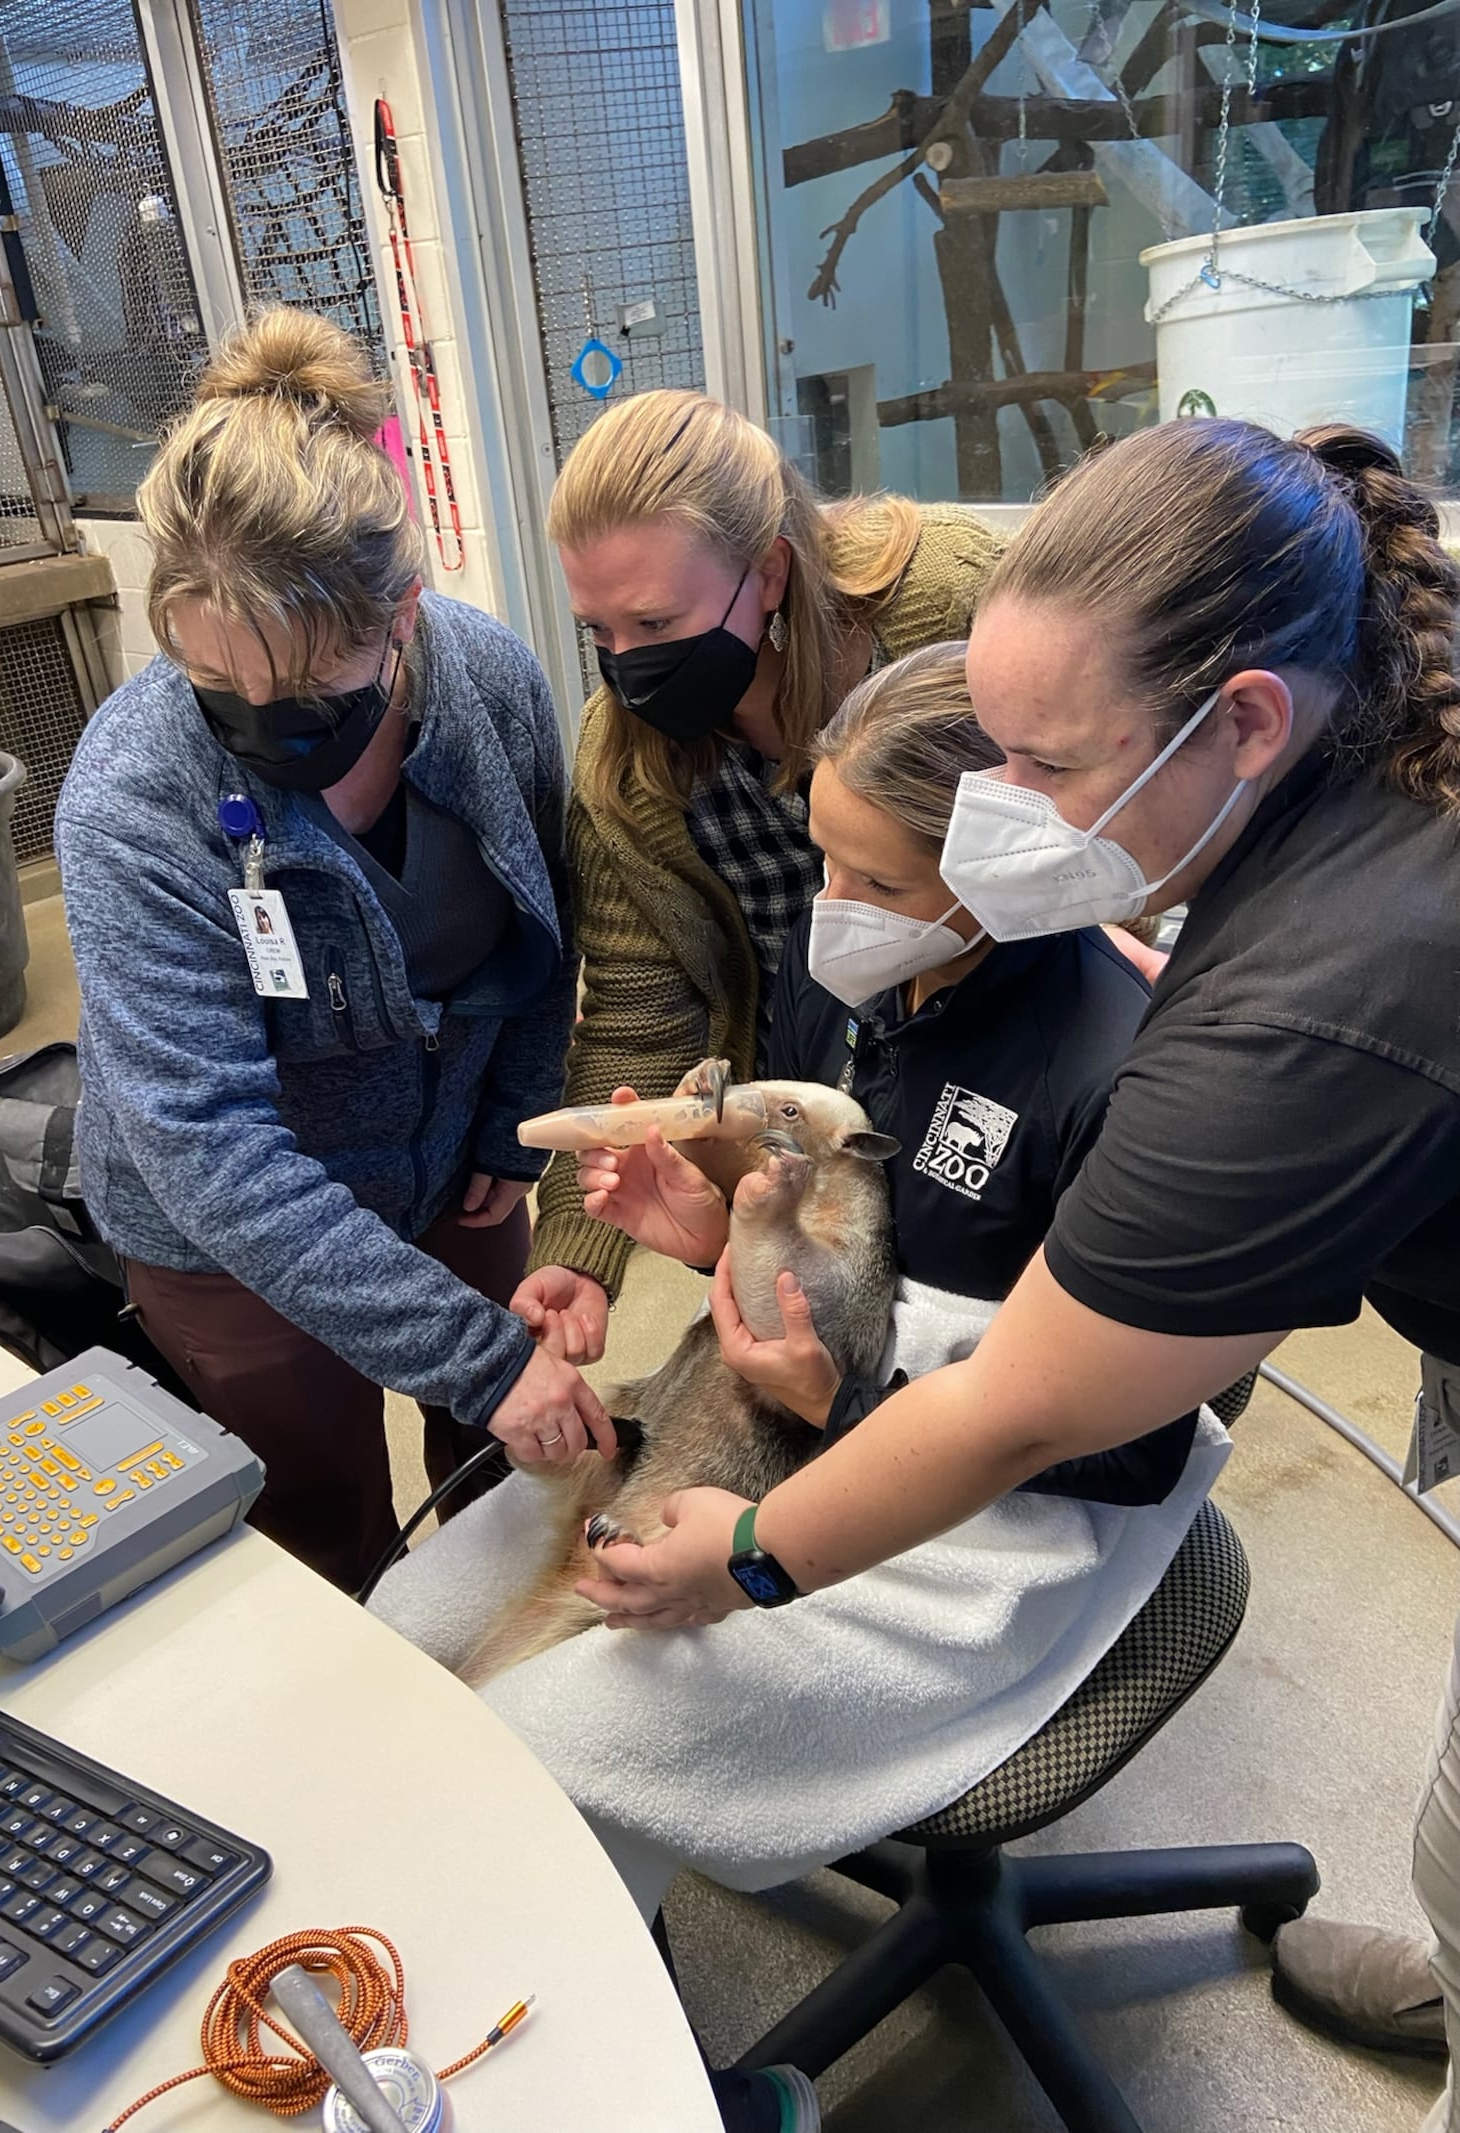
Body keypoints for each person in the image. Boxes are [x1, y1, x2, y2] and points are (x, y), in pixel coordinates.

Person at [566, 416, 1460, 2128]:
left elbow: (1042, 1411)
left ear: (1248, 722)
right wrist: (744, 1215)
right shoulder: (1363, 713)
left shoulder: (1279, 1029)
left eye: (1042, 766)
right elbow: (884, 1207)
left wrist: (752, 1552)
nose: (999, 822)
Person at [372, 643, 1228, 2132]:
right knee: (410, 1639)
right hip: (795, 1407)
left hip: (999, 1503)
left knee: (547, 1750)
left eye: (881, 883)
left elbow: (1131, 1448)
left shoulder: (1134, 1077)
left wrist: (841, 1412)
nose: (835, 912)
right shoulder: (865, 992)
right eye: (825, 857)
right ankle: (542, 2028)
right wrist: (721, 1236)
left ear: (1012, 869)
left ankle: (642, 2096)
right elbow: (845, 1247)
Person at [55, 309, 614, 1597]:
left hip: (454, 1176)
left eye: (305, 689)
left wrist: (512, 1124)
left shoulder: (490, 681)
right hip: (233, 1237)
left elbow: (549, 928)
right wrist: (473, 1353)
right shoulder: (131, 801)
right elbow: (207, 1142)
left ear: (402, 616)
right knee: (319, 1532)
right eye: (213, 683)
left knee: (501, 1483)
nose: (261, 722)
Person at [516, 389, 1000, 1367]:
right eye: (597, 632)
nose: (628, 664)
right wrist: (578, 1243)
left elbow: (1104, 827)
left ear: (768, 571)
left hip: (1005, 1062)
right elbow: (636, 1015)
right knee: (837, 1365)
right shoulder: (628, 759)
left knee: (1015, 1368)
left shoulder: (957, 606)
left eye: (655, 618)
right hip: (806, 1098)